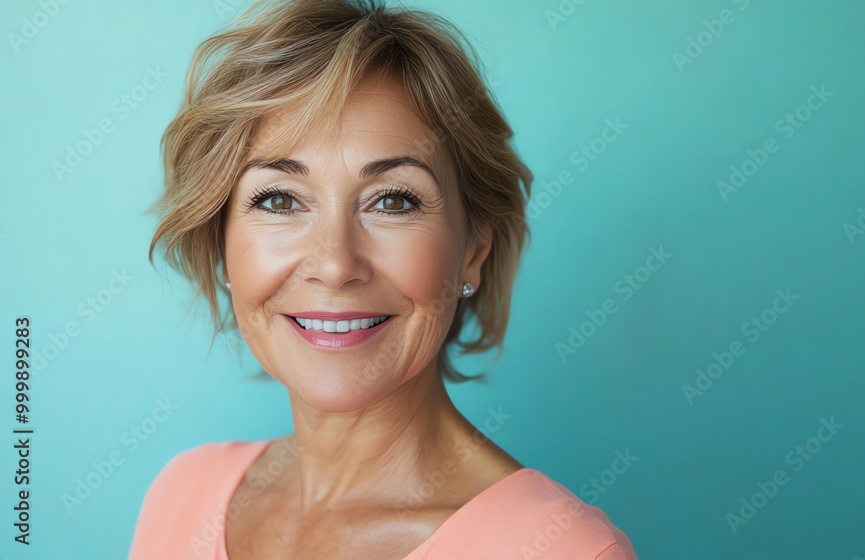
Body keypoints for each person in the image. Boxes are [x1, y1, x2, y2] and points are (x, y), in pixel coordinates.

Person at [130, 1, 637, 558]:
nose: (335, 262)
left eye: (393, 200)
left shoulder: (563, 550)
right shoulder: (181, 495)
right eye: (278, 199)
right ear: (222, 246)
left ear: (473, 250)